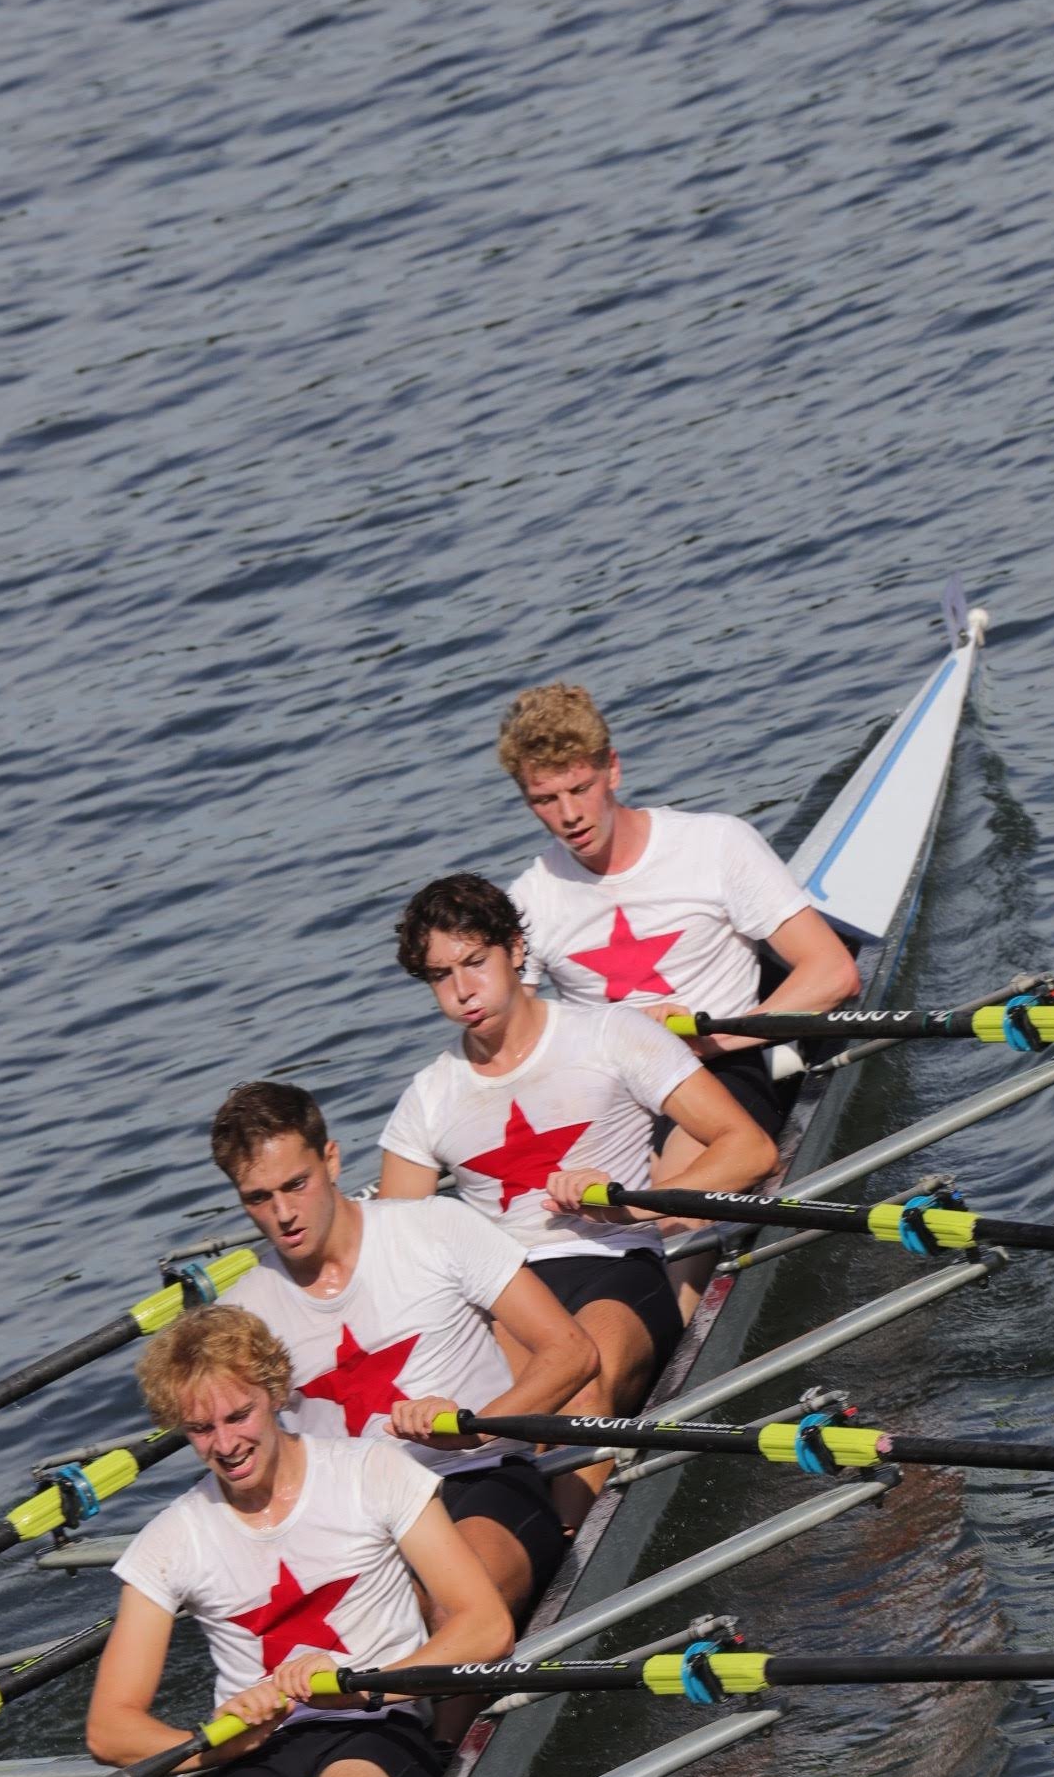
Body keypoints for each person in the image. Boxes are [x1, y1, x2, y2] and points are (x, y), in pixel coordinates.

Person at [86, 1307, 513, 1777]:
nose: (225, 1444)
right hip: (254, 1754)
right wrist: (217, 1745)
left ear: (277, 1392)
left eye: (238, 1415)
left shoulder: (371, 1471)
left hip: (379, 1723)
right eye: (200, 1429)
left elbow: (486, 1625)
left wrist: (369, 1689)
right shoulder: (171, 1540)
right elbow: (110, 1729)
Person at [378, 873, 776, 1444]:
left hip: (615, 1262)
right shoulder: (427, 1099)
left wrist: (632, 1210)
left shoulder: (610, 1034)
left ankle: (579, 1526)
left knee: (582, 1396)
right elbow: (395, 1262)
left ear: (516, 950)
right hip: (506, 1293)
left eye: (474, 962)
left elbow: (749, 1148)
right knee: (500, 1418)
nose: (463, 990)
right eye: (441, 976)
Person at [210, 1080, 595, 1623]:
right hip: (355, 1527)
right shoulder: (242, 1319)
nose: (283, 1215)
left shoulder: (434, 1227)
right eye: (258, 1198)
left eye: (296, 1185)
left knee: (447, 1611)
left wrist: (477, 1426)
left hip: (476, 1477)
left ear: (331, 1159)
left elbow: (573, 1351)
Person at [498, 681, 861, 1178]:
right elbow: (510, 1041)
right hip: (611, 1096)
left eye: (580, 789)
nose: (568, 816)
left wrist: (710, 1041)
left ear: (613, 769)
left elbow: (834, 973)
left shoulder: (714, 845)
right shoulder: (526, 902)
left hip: (718, 1068)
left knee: (673, 1206)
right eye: (545, 799)